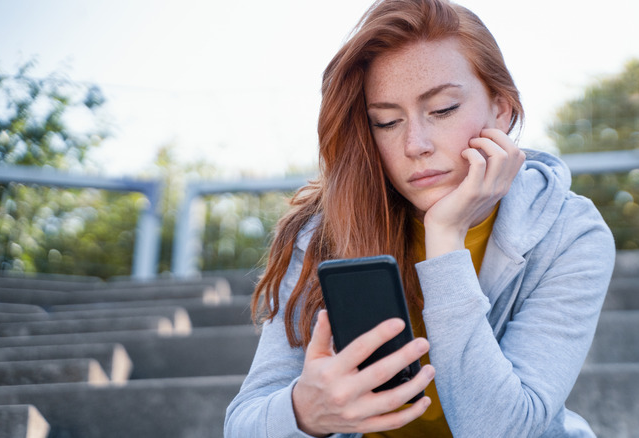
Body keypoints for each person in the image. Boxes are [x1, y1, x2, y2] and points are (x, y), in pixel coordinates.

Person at [225, 0, 615, 436]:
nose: (415, 144)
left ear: (501, 110)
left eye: (443, 110)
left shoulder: (568, 231)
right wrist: (303, 412)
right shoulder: (324, 231)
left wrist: (445, 237)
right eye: (387, 122)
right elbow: (243, 424)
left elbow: (503, 429)